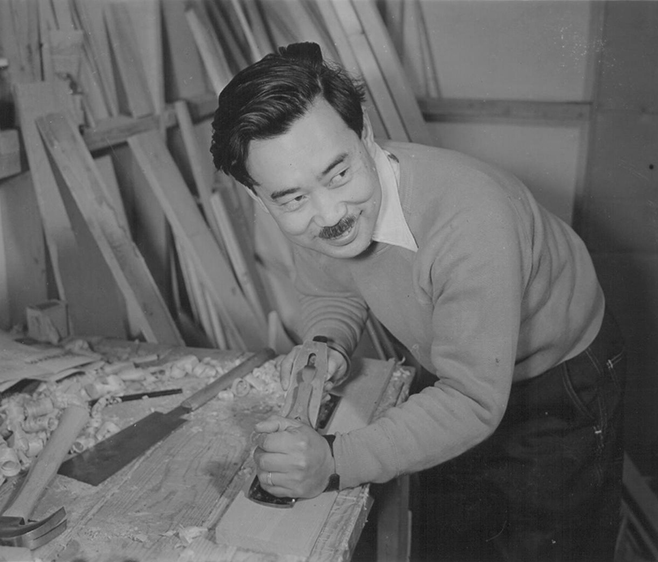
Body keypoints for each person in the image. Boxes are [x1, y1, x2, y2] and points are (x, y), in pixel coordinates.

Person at [210, 42, 626, 562]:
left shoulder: (471, 222)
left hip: (557, 374)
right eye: (290, 197)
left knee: (545, 545)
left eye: (339, 173)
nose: (328, 211)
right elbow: (333, 285)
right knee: (451, 533)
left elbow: (473, 401)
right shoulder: (323, 216)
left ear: (364, 135)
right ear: (258, 195)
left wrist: (334, 461)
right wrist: (327, 343)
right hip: (459, 362)